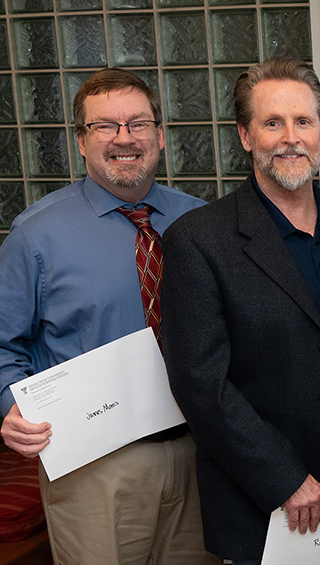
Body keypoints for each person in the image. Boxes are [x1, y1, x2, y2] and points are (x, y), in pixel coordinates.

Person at [160, 57, 320, 564]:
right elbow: (200, 384)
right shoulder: (198, 241)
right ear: (246, 136)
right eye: (272, 123)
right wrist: (283, 478)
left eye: (303, 122)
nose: (290, 137)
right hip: (264, 488)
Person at [0, 68, 213, 564]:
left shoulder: (200, 222)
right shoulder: (35, 237)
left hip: (203, 452)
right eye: (105, 126)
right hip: (95, 463)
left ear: (159, 135)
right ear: (81, 140)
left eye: (138, 124)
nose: (124, 139)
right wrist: (8, 407)